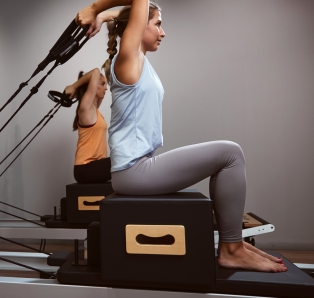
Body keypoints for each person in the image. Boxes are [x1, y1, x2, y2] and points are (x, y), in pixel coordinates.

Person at [76, 0, 286, 273]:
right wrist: (95, 8)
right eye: (158, 24)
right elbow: (136, 9)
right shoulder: (129, 60)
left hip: (137, 168)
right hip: (134, 172)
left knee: (228, 154)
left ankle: (234, 244)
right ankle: (231, 249)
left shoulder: (137, 61)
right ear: (138, 28)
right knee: (230, 154)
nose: (163, 33)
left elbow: (127, 15)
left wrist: (104, 16)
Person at [64, 68, 110, 183]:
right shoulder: (86, 109)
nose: (106, 88)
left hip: (96, 166)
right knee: (125, 158)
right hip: (86, 168)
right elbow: (95, 72)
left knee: (126, 158)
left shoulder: (94, 109)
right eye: (102, 84)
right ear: (93, 86)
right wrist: (74, 87)